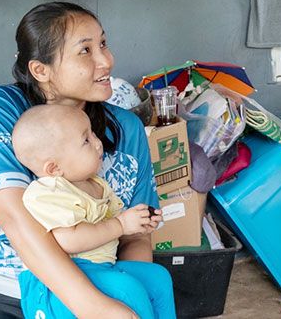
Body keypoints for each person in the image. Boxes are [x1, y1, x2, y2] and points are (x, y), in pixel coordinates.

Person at [0, 2, 163, 319]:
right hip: (1, 286)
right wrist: (96, 309)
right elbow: (15, 219)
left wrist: (128, 298)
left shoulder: (128, 130)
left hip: (99, 281)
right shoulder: (4, 108)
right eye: (86, 50)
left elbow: (135, 236)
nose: (106, 60)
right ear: (41, 70)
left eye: (104, 44)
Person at [12, 104, 175, 319]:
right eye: (86, 140)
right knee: (127, 289)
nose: (99, 143)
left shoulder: (97, 185)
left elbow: (116, 225)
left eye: (93, 134)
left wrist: (139, 221)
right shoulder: (47, 192)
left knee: (158, 278)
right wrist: (121, 225)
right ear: (54, 169)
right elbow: (70, 240)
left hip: (100, 268)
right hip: (57, 284)